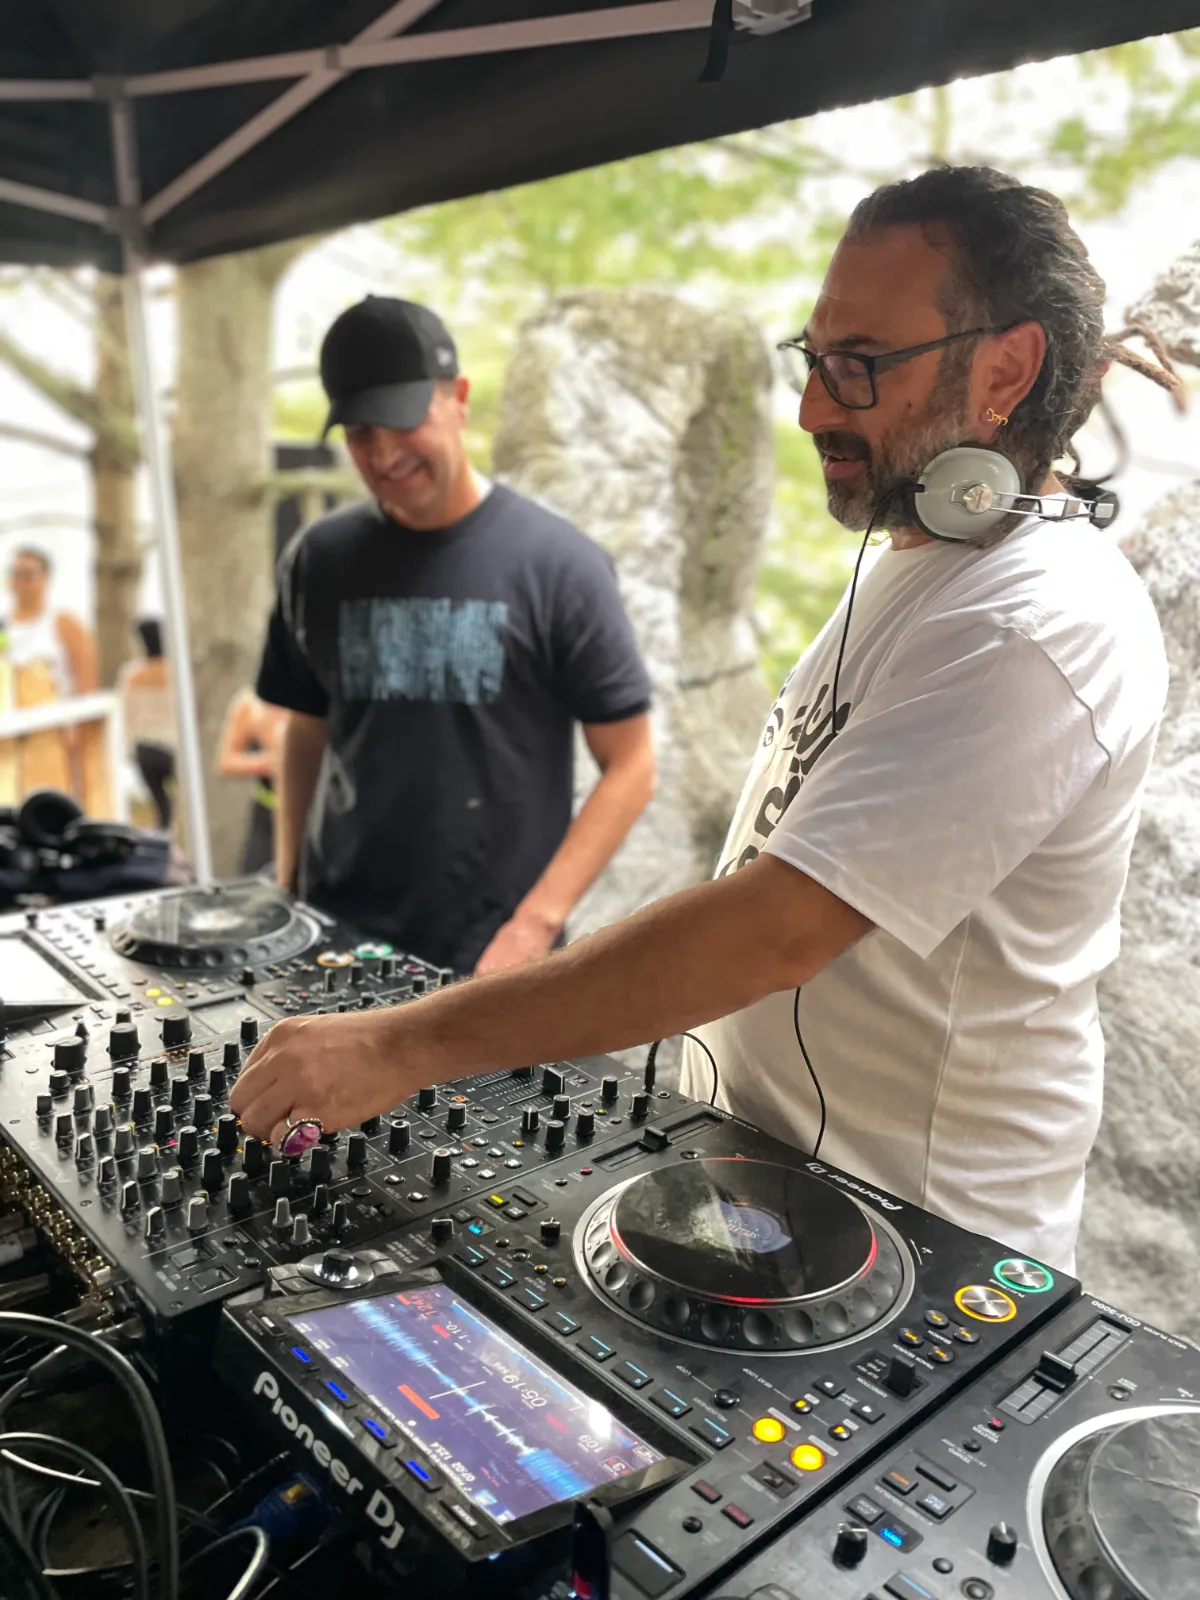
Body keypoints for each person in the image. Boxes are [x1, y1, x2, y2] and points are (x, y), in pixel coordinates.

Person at [233, 167, 1178, 1272]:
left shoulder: (1039, 623)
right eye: (815, 360)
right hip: (775, 1197)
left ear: (1007, 370)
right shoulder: (917, 562)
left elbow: (776, 926)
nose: (814, 407)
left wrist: (405, 1044)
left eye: (861, 366)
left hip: (928, 1248)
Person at [255, 296, 655, 975]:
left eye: (401, 422)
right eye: (359, 433)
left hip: (490, 956)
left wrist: (534, 927)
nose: (382, 454)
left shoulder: (560, 565)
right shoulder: (316, 560)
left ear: (458, 398)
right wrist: (289, 880)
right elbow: (306, 727)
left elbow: (632, 764)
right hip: (336, 939)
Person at [6, 547, 98, 699]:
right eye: (15, 574)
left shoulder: (65, 624)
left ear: (45, 578)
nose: (20, 582)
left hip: (56, 718)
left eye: (28, 575)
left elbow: (88, 689)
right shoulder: (4, 625)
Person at [216, 688, 287, 874]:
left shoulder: (314, 699)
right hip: (267, 814)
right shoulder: (250, 704)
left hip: (309, 813)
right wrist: (268, 762)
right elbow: (226, 762)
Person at [117, 618, 176, 831]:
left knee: (161, 808)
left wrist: (129, 750)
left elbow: (128, 717)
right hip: (171, 747)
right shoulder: (174, 673)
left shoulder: (132, 677)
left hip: (145, 749)